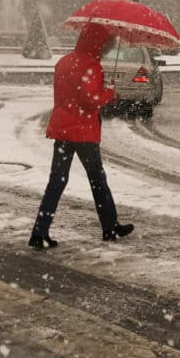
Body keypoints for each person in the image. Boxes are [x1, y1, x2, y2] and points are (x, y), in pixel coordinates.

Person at [29, 23, 134, 249]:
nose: (107, 48)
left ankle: (40, 231)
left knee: (56, 181)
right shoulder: (92, 66)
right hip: (83, 132)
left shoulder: (63, 62)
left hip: (63, 130)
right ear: (98, 43)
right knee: (97, 180)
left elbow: (66, 96)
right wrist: (109, 93)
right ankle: (110, 226)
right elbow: (89, 101)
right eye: (106, 44)